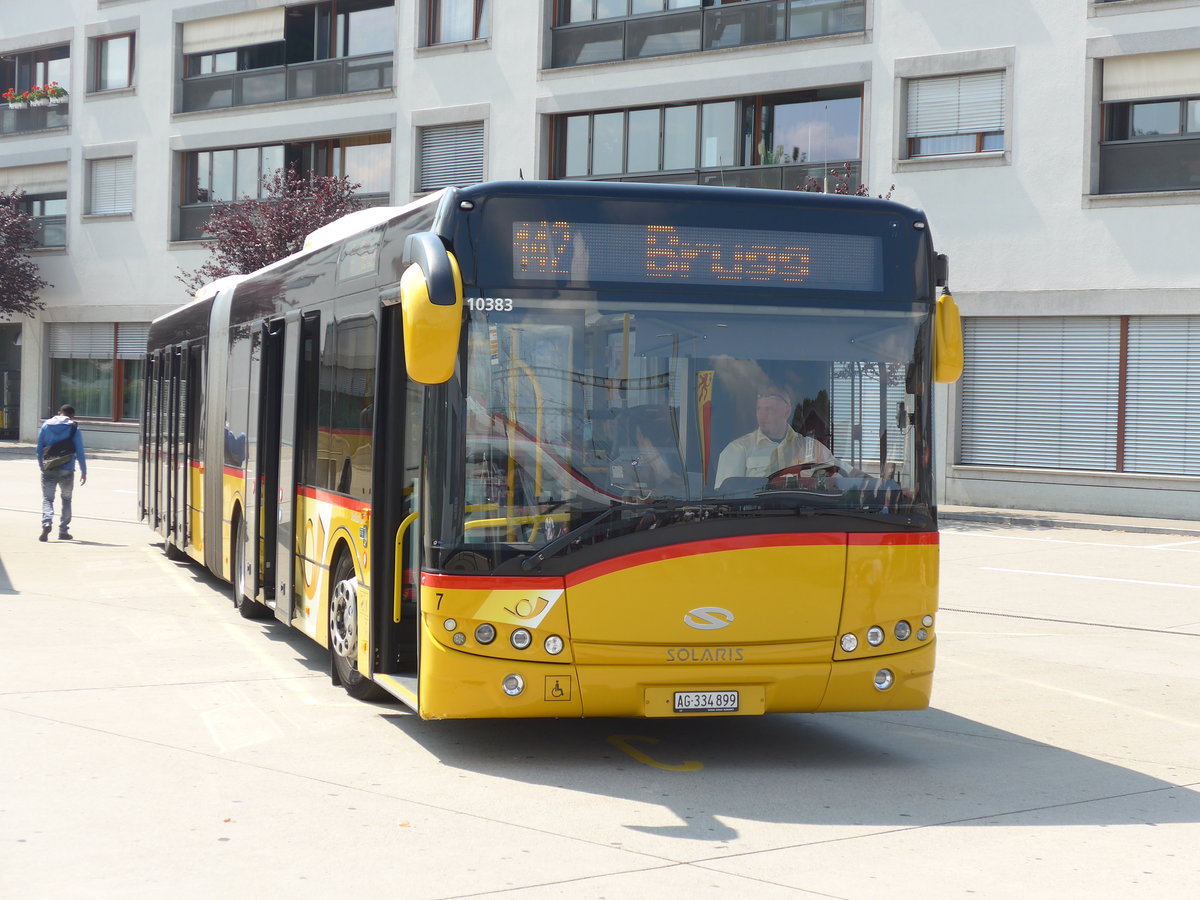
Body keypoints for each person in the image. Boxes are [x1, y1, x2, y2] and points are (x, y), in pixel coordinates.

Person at [714, 387, 838, 488]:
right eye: (759, 409)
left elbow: (843, 477)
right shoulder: (738, 449)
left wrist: (856, 475)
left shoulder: (813, 449)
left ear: (787, 412)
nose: (762, 416)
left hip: (805, 516)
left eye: (769, 410)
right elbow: (726, 499)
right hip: (755, 517)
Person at [36, 404, 87, 541]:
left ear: (59, 413)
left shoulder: (46, 425)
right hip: (67, 469)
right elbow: (80, 451)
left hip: (49, 468)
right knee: (66, 499)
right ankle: (63, 531)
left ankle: (47, 522)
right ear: (72, 416)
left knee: (48, 498)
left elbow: (39, 448)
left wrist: (41, 465)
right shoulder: (74, 428)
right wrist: (84, 471)